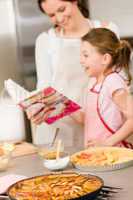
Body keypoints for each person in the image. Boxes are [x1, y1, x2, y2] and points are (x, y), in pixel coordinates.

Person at [27, 0, 119, 146]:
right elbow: (43, 87)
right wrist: (38, 109)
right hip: (58, 128)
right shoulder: (45, 40)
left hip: (98, 124)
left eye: (62, 9)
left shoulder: (107, 30)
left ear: (75, 1)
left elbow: (115, 78)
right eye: (51, 15)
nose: (59, 19)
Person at [72, 27, 133, 148]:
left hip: (114, 155)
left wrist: (107, 143)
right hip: (96, 155)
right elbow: (87, 120)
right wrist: (63, 107)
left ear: (105, 58)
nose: (81, 61)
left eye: (85, 55)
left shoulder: (113, 82)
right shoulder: (93, 83)